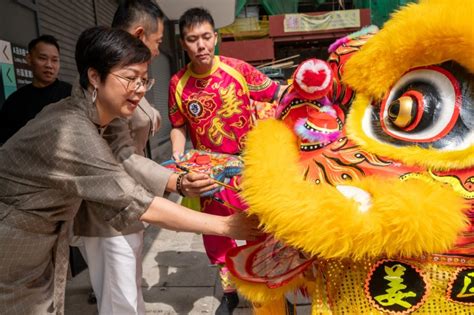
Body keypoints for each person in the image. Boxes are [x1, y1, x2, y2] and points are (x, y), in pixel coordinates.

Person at [0, 26, 261, 315]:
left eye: (144, 80)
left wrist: (179, 182)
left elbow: (125, 158)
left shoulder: (99, 113)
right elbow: (137, 202)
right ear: (94, 76)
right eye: (130, 79)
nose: (139, 90)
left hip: (44, 237)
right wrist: (225, 226)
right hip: (14, 239)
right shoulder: (71, 130)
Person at [168, 7, 281, 314]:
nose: (201, 45)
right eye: (193, 39)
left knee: (261, 230)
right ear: (183, 44)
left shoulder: (238, 69)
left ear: (215, 37)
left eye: (206, 37)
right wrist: (178, 153)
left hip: (251, 167)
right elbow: (178, 124)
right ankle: (229, 292)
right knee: (220, 237)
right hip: (211, 174)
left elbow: (276, 94)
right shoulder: (177, 82)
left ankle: (269, 291)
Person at [73, 1, 175, 314]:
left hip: (129, 202)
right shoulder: (107, 87)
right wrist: (176, 180)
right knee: (121, 301)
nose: (158, 52)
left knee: (129, 293)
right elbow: (121, 152)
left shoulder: (124, 80)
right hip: (109, 210)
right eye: (157, 42)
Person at [0, 35, 71, 144]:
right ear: (29, 59)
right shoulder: (14, 101)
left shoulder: (71, 95)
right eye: (42, 58)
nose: (49, 65)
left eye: (55, 60)